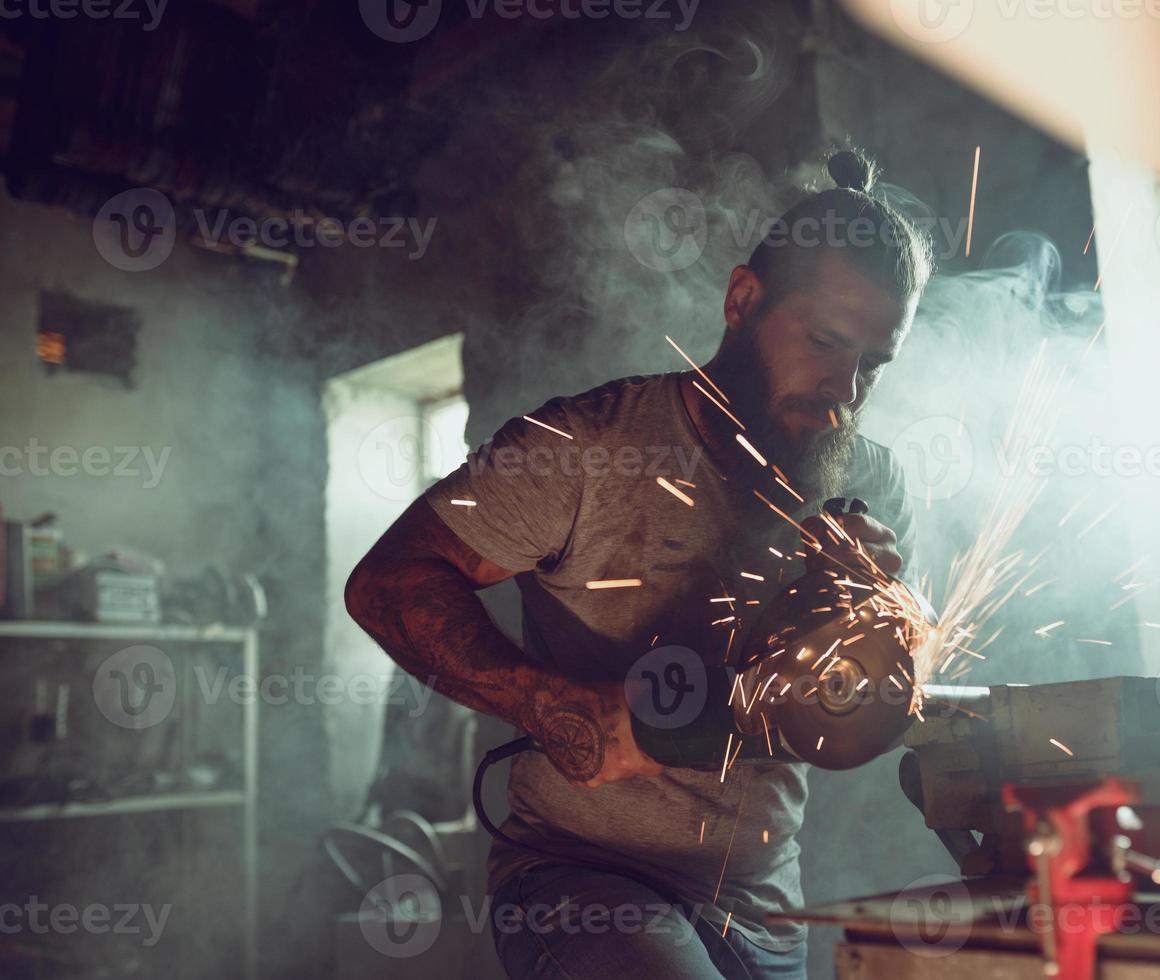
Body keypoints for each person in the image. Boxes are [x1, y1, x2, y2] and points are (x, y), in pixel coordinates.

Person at [345, 148, 932, 979]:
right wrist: (553, 706)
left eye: (873, 365)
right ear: (742, 300)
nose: (845, 391)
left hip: (762, 902)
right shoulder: (585, 447)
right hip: (584, 877)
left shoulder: (872, 482)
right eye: (825, 343)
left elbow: (869, 714)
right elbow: (386, 582)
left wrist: (864, 622)